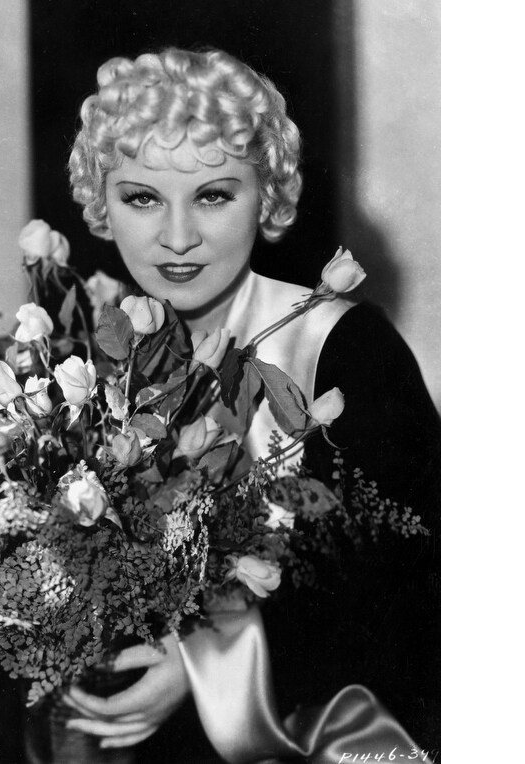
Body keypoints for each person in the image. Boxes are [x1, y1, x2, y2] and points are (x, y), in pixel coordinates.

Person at [56, 48, 439, 763]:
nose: (177, 238)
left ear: (266, 198)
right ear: (101, 204)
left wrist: (204, 664)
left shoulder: (345, 349)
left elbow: (406, 588)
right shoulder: (81, 362)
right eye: (141, 198)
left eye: (212, 196)